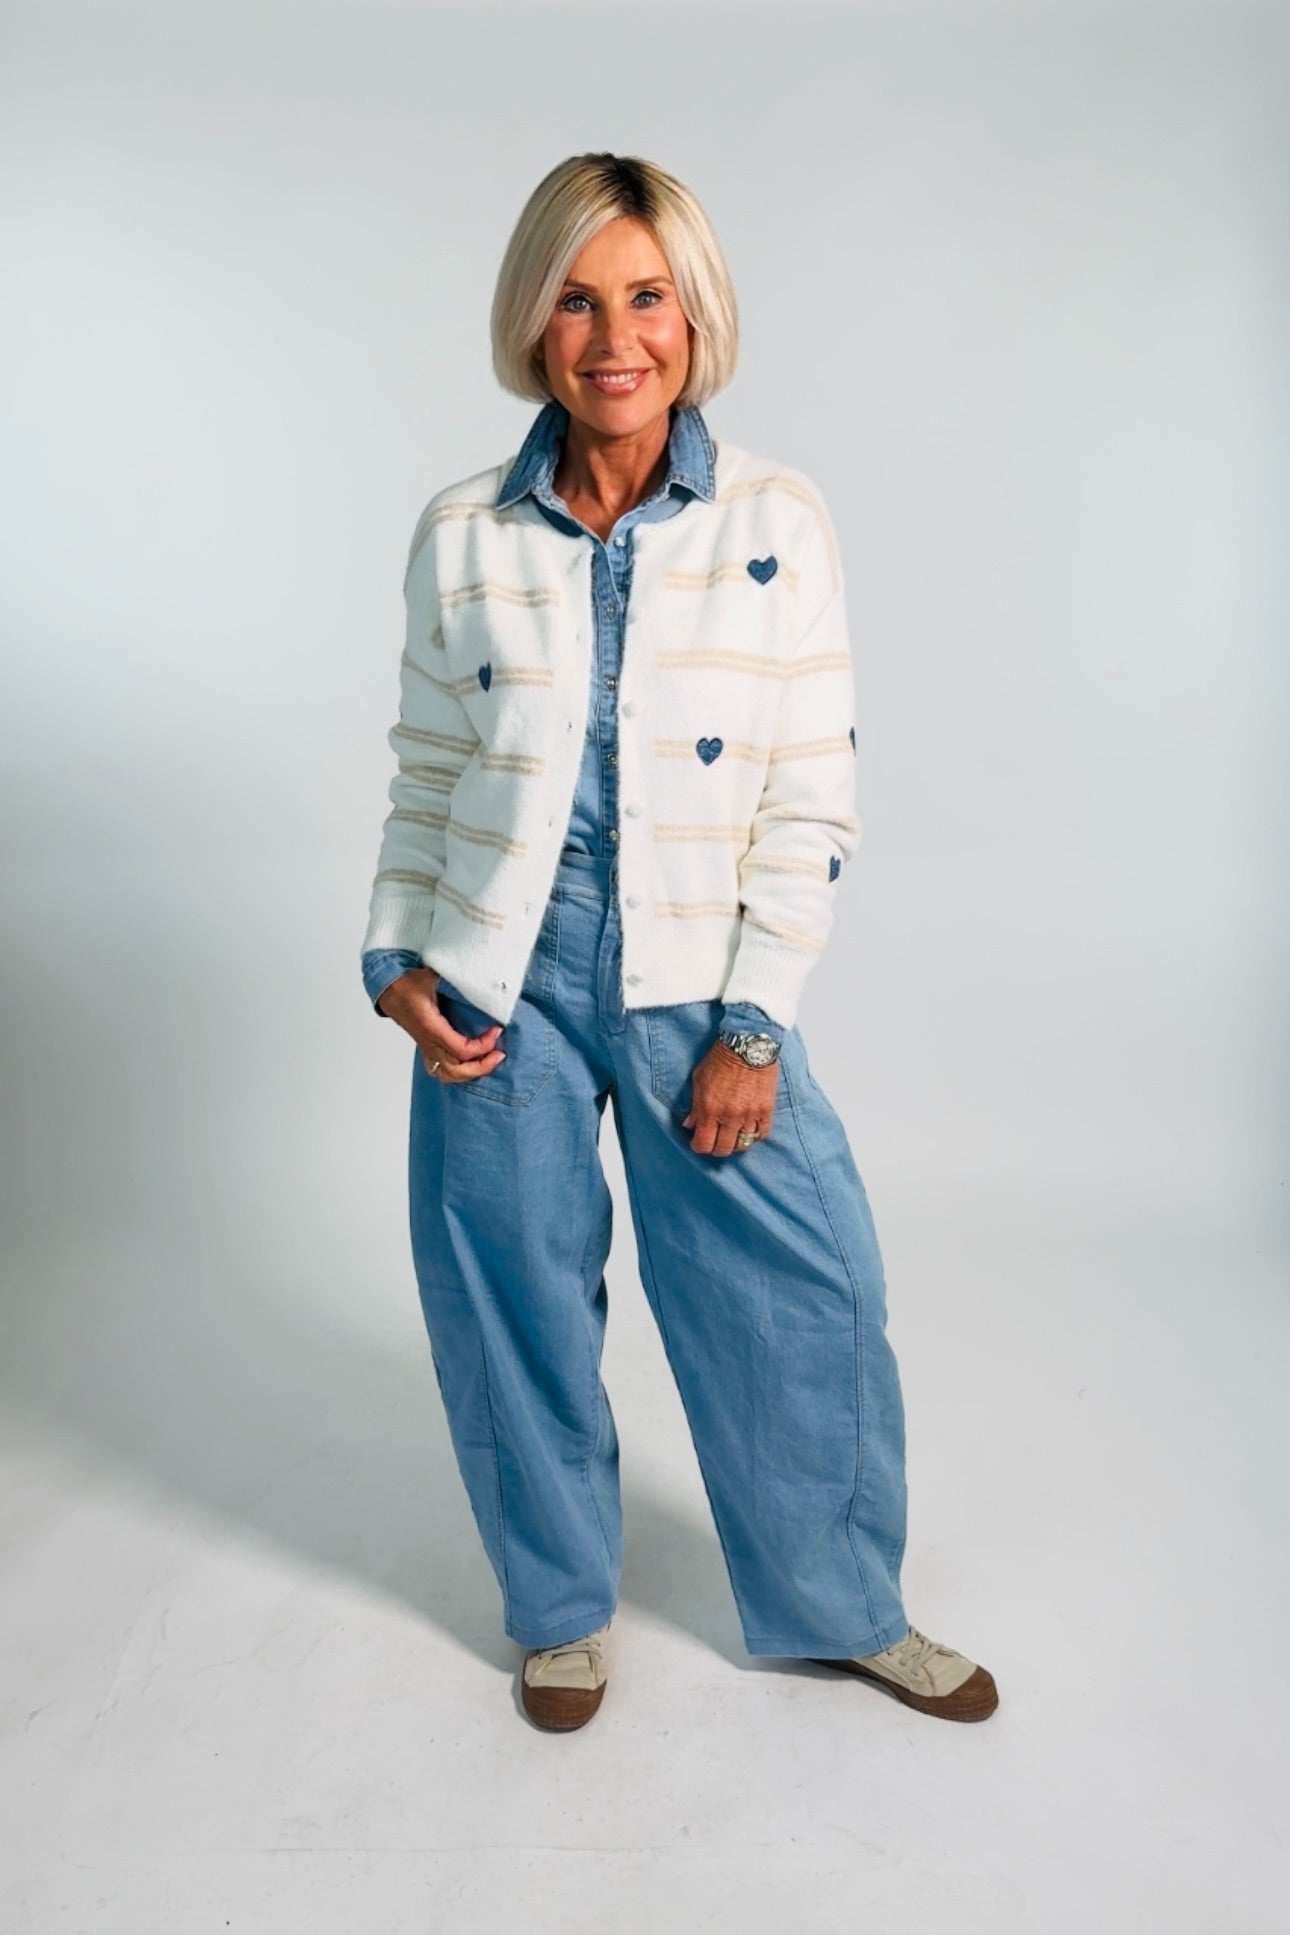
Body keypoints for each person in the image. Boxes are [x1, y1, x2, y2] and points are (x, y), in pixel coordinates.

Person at [360, 152, 998, 1732]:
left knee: (796, 1292)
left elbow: (810, 787)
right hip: (499, 969)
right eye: (576, 300)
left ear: (694, 315)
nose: (613, 337)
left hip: (694, 970)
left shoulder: (775, 517)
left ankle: (840, 1607)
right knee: (507, 1296)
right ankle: (559, 1608)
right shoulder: (462, 531)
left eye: (645, 296)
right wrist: (397, 961)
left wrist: (753, 1022)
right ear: (533, 321)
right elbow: (429, 768)